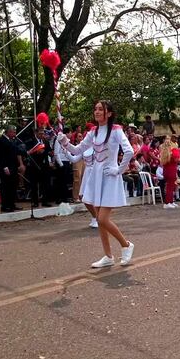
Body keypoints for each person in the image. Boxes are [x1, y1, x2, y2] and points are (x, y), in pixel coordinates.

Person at [57, 100, 135, 267]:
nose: (97, 112)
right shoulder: (93, 132)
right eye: (96, 109)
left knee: (102, 218)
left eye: (101, 109)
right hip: (97, 177)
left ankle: (126, 245)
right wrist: (64, 142)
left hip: (110, 176)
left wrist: (118, 170)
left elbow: (129, 151)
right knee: (100, 220)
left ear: (110, 113)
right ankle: (108, 256)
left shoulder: (116, 130)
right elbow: (77, 150)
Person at [0, 126, 23, 212]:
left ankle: (12, 204)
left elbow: (14, 152)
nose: (15, 134)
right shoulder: (1, 140)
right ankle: (5, 206)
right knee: (5, 187)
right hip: (6, 167)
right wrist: (5, 167)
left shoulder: (12, 140)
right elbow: (1, 155)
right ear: (8, 132)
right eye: (13, 132)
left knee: (13, 186)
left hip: (13, 166)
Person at [53, 127, 73, 203]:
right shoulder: (58, 141)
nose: (71, 134)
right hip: (61, 162)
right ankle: (59, 198)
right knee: (60, 181)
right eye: (70, 133)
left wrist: (70, 160)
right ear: (66, 133)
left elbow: (69, 151)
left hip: (67, 162)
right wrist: (61, 164)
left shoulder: (68, 141)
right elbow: (56, 153)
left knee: (65, 181)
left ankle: (65, 197)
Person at [160, 135, 180, 209]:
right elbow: (177, 160)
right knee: (170, 187)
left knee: (171, 186)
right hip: (171, 170)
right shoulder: (171, 152)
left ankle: (171, 201)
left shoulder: (164, 153)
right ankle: (167, 202)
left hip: (167, 170)